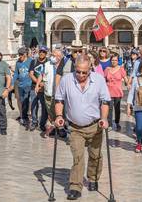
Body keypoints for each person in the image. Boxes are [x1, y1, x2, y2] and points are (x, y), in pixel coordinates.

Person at [54, 55, 111, 200]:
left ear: (90, 70)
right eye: (78, 71)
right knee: (78, 157)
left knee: (95, 155)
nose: (80, 75)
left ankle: (92, 178)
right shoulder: (67, 80)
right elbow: (59, 100)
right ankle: (75, 186)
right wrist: (59, 116)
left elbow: (105, 101)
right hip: (75, 128)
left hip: (95, 126)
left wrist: (104, 118)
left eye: (84, 72)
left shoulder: (98, 80)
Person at [35, 48, 64, 137]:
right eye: (52, 55)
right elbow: (41, 74)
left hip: (60, 94)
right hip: (49, 93)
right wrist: (37, 84)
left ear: (59, 57)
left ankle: (60, 128)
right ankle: (53, 129)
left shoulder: (63, 66)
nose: (52, 57)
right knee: (51, 113)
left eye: (54, 55)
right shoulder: (47, 64)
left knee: (59, 112)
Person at [9, 47, 33, 127]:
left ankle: (26, 117)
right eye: (19, 55)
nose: (20, 56)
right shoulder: (18, 63)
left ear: (25, 54)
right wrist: (12, 84)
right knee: (22, 101)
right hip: (20, 85)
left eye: (21, 55)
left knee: (27, 101)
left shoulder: (31, 61)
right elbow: (16, 74)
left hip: (28, 85)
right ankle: (23, 116)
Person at [104, 54, 128, 130]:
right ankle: (110, 124)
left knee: (117, 108)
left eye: (115, 60)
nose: (114, 61)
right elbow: (103, 79)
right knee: (110, 108)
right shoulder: (107, 69)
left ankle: (117, 122)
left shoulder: (121, 69)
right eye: (112, 60)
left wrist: (128, 84)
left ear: (118, 61)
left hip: (117, 92)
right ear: (110, 61)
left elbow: (125, 78)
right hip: (108, 92)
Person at [29, 45, 49, 131]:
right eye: (40, 51)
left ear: (46, 53)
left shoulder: (48, 63)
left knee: (44, 106)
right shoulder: (34, 61)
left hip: (44, 88)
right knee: (33, 105)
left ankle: (42, 123)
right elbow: (31, 73)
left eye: (43, 52)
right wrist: (38, 82)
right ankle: (34, 121)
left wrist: (42, 83)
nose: (41, 53)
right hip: (34, 87)